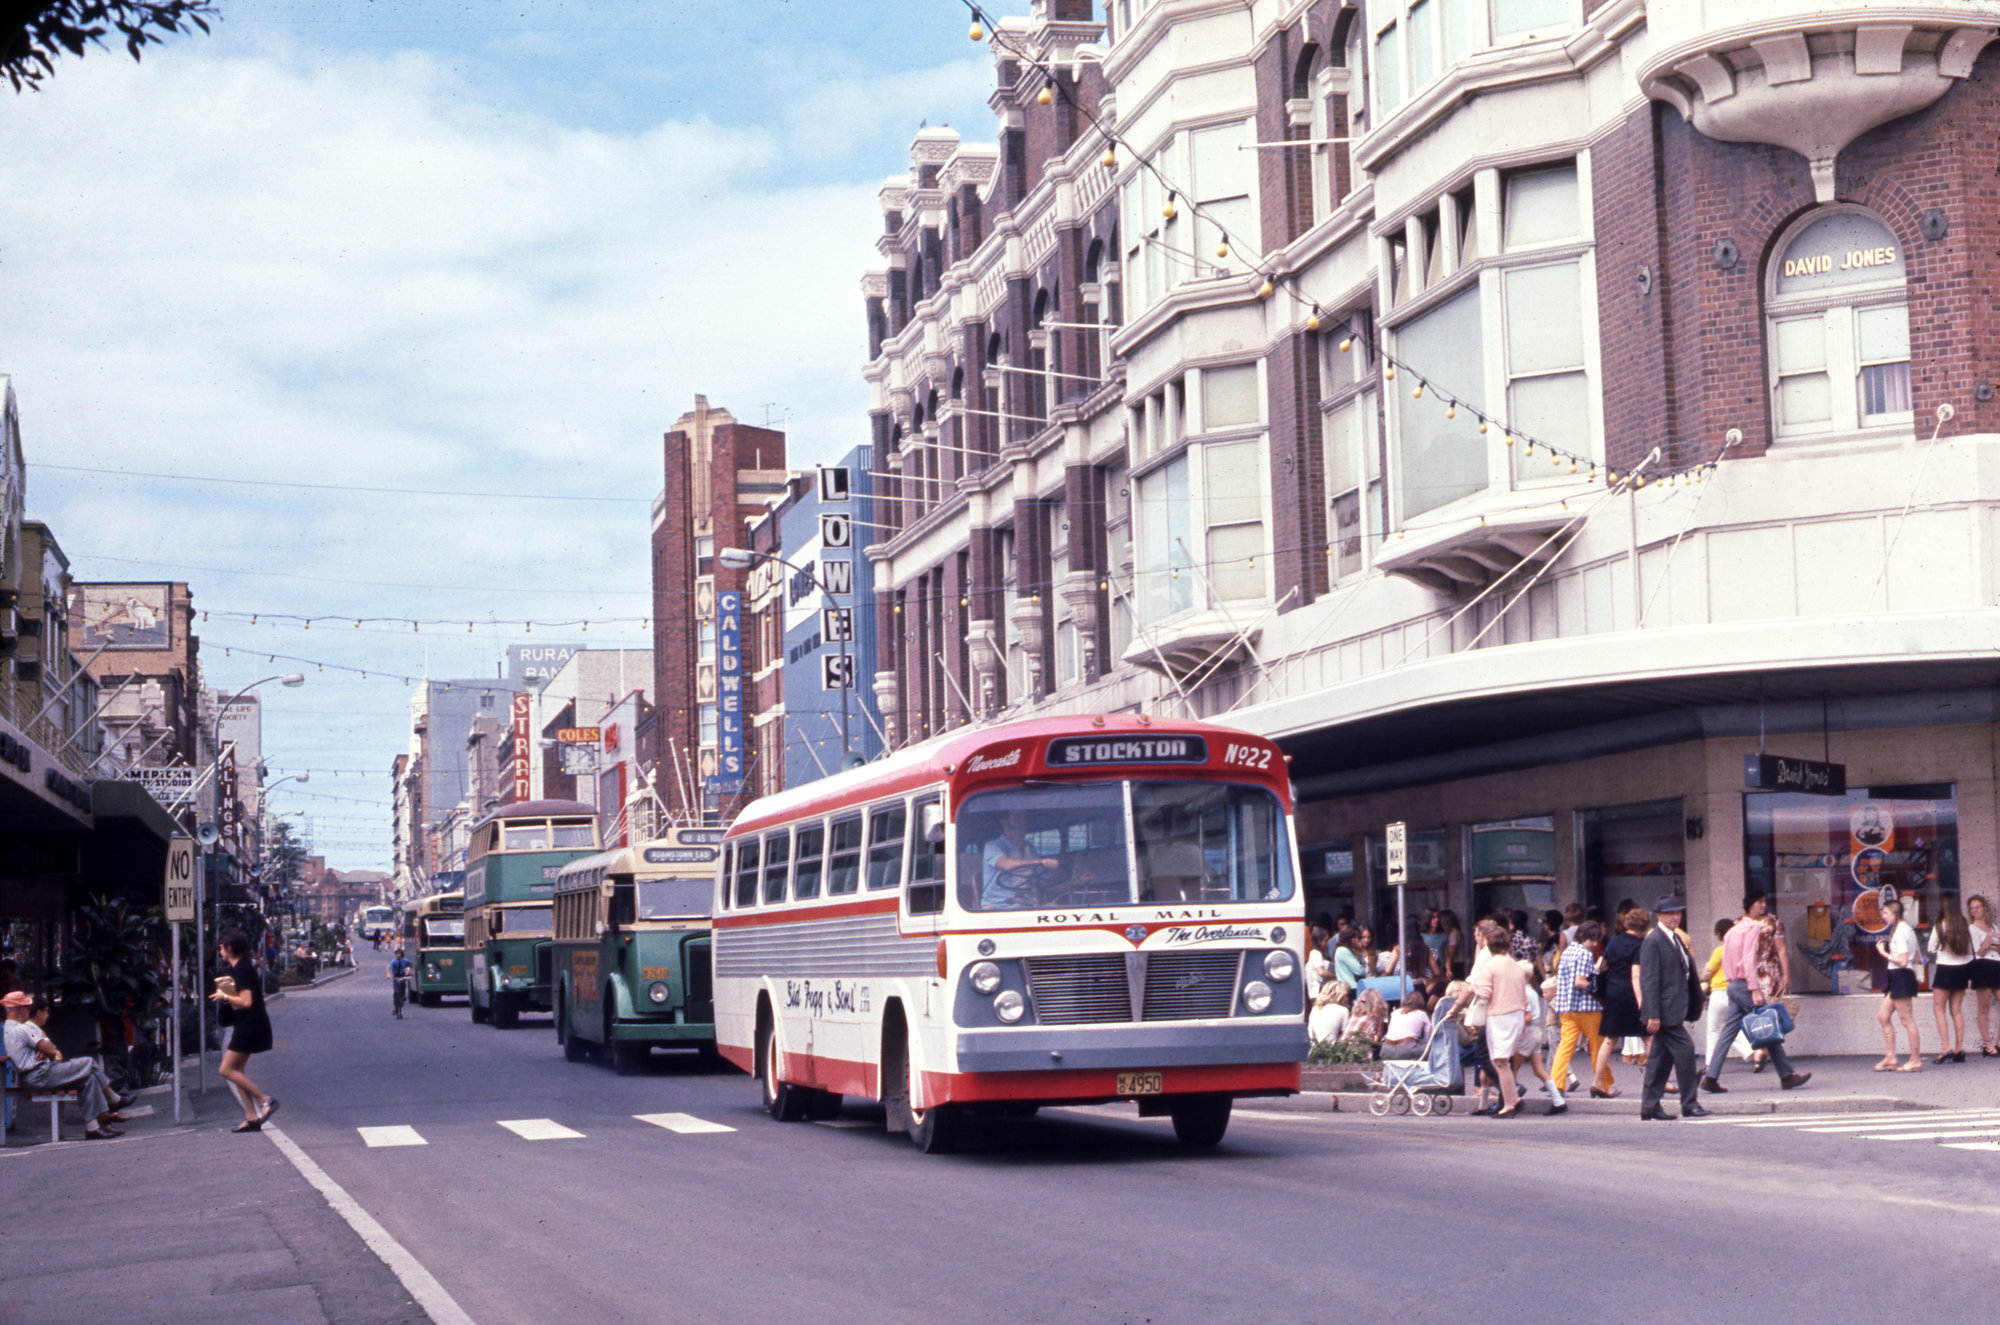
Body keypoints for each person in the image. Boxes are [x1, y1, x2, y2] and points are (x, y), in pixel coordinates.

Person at [1702, 891, 1811, 1093]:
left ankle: (1711, 1077)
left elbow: (1727, 960)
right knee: (1768, 1025)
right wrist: (1754, 989)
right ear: (1751, 905)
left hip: (1733, 985)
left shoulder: (1732, 930)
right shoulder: (1752, 928)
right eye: (1759, 902)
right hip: (1745, 985)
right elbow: (1748, 960)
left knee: (1728, 1033)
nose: (1763, 906)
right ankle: (1786, 1076)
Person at [3, 992, 131, 1139]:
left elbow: (47, 1050)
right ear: (20, 1009)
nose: (28, 1010)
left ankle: (93, 1127)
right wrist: (46, 1050)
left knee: (89, 1079)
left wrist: (43, 1050)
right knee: (88, 1063)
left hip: (36, 1076)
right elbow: (52, 1050)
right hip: (40, 1075)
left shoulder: (8, 1029)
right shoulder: (22, 1029)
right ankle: (113, 1099)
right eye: (26, 1007)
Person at [1637, 897, 1710, 1121]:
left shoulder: (1675, 937)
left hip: (1673, 1009)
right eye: (1670, 913)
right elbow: (1649, 979)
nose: (1675, 917)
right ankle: (1689, 1103)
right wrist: (1652, 1013)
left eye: (1678, 913)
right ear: (1659, 916)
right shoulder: (1654, 940)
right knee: (1686, 1051)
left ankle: (1650, 1106)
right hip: (1665, 1012)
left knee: (1660, 1060)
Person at [1470, 928, 1548, 1117]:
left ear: (1489, 946)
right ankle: (1513, 1099)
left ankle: (1509, 1105)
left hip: (1498, 1016)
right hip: (1517, 1016)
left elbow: (1485, 993)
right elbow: (1524, 997)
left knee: (1500, 1062)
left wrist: (1473, 988)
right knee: (1504, 1061)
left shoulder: (1490, 966)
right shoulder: (1516, 966)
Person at [210, 929, 278, 1133]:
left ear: (230, 948)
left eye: (221, 948)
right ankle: (251, 1117)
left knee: (226, 1070)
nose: (219, 951)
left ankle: (265, 1100)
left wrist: (224, 997)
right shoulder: (240, 968)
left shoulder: (241, 970)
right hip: (246, 1024)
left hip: (248, 1026)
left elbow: (246, 1001)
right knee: (236, 1071)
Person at [980, 808, 1093, 909]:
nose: (1023, 822)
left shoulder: (1030, 848)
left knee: (1054, 908)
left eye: (1024, 818)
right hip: (998, 907)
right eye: (1018, 817)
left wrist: (1078, 881)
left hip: (1027, 906)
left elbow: (1046, 885)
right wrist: (1041, 862)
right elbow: (1006, 864)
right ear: (1004, 822)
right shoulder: (993, 846)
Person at [1551, 921, 1609, 1098]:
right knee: (1598, 1046)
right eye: (1592, 939)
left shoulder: (1567, 951)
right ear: (1583, 937)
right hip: (1587, 1007)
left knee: (1565, 1046)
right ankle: (1603, 1083)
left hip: (1567, 1007)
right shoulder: (1584, 953)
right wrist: (1598, 990)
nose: (1594, 943)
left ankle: (1556, 1084)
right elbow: (1580, 981)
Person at [1594, 908, 1649, 1095]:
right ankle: (1660, 1082)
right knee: (1648, 1036)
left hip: (1613, 992)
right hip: (1631, 994)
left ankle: (1596, 1083)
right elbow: (1636, 976)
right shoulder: (1640, 945)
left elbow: (1599, 966)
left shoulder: (1613, 942)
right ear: (1644, 926)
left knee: (1609, 1040)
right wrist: (1642, 1003)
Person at [1874, 899, 1923, 1071]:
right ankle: (1891, 1056)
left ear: (1895, 913)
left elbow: (1902, 961)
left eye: (1886, 913)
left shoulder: (1901, 931)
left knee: (1906, 1019)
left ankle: (1915, 1060)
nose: (1883, 916)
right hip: (1897, 976)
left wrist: (1883, 953)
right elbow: (1917, 956)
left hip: (1901, 976)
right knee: (1883, 1016)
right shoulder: (1904, 929)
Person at [1928, 894, 1973, 1064]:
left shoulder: (1940, 924)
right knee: (1956, 1010)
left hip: (1945, 969)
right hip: (1962, 969)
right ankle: (1959, 1048)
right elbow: (1970, 947)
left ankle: (1945, 1048)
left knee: (1939, 1009)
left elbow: (1931, 948)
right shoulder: (1963, 923)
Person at [1968, 895, 2000, 1057]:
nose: (1975, 910)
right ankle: (1988, 1045)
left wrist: (1991, 944)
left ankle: (1999, 1043)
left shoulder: (1993, 925)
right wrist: (1989, 937)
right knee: (1984, 1006)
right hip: (1982, 966)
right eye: (1972, 908)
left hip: (1997, 965)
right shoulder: (1972, 928)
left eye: (1978, 907)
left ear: (1984, 908)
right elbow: (1980, 951)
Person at [1379, 991, 1431, 1060]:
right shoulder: (1422, 1014)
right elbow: (1428, 1036)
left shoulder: (1395, 1012)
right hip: (1406, 1050)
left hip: (1386, 1050)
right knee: (1432, 1049)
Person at [387, 947, 415, 1019]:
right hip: (396, 977)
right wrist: (388, 974)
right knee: (396, 992)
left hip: (402, 976)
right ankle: (396, 1007)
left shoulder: (405, 961)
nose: (398, 955)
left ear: (402, 954)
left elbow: (412, 965)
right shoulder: (394, 961)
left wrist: (411, 972)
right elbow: (388, 967)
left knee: (402, 991)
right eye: (397, 954)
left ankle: (402, 1003)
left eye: (399, 954)